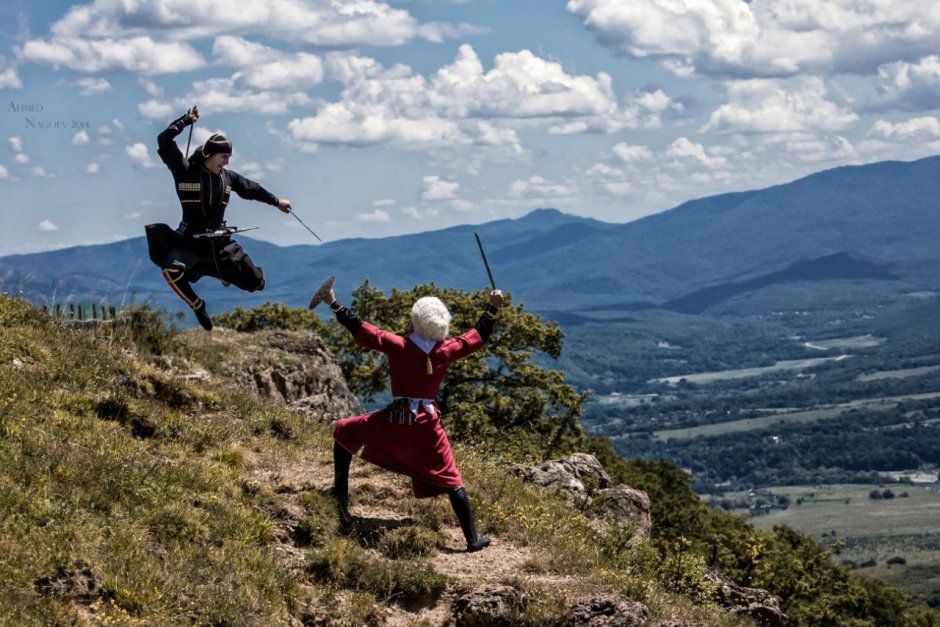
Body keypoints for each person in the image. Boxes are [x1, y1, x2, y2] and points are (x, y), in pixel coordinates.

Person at [326, 285, 503, 552]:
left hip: (396, 420)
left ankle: (339, 494)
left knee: (344, 431)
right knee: (452, 479)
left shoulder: (399, 346)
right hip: (428, 425)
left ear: (416, 322)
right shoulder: (446, 350)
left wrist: (335, 304)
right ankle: (472, 539)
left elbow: (363, 329)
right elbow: (475, 337)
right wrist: (492, 308)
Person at [145, 106, 292, 330]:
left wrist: (276, 202)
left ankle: (223, 272)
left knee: (257, 284)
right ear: (209, 154)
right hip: (189, 241)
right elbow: (163, 139)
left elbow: (252, 189)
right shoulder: (184, 170)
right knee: (170, 269)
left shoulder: (228, 178)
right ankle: (197, 305)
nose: (227, 162)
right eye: (224, 157)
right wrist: (187, 120)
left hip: (220, 243)